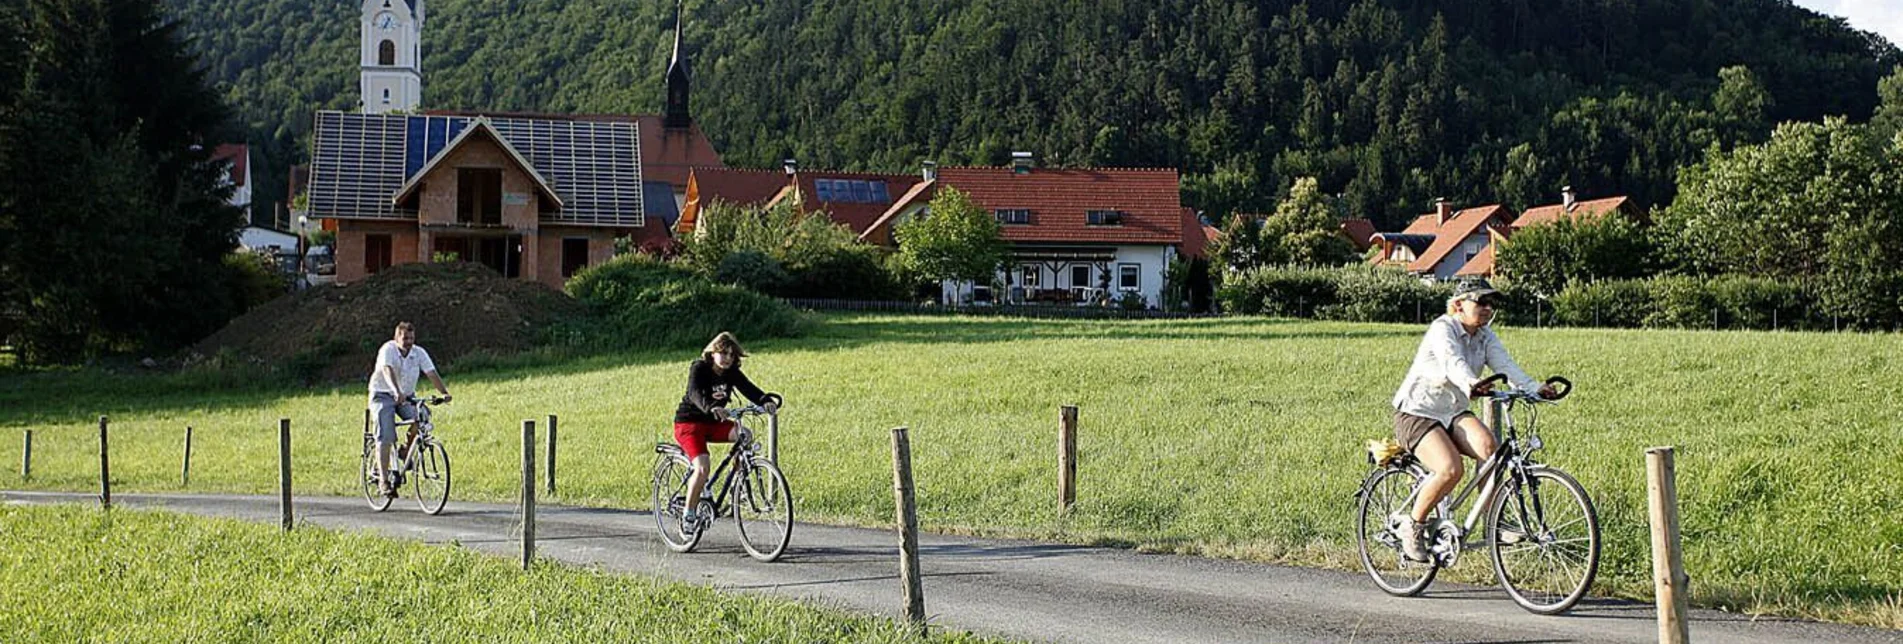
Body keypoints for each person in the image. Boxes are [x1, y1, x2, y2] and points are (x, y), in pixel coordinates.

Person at [1389, 278, 1555, 562]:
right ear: (1458, 305)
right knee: (1450, 468)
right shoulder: (1443, 329)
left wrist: (1534, 387)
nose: (1488, 309)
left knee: (1489, 449)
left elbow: (1505, 365)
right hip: (1418, 412)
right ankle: (1413, 526)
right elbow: (1452, 362)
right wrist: (1472, 383)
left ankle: (1494, 525)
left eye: (1492, 303)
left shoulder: (1485, 336)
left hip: (1452, 411)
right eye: (1481, 302)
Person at [673, 332, 780, 538]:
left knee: (745, 435)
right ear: (712, 353)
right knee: (702, 467)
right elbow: (694, 393)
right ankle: (689, 514)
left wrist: (765, 400)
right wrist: (711, 407)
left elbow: (748, 388)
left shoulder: (731, 372)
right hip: (690, 424)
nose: (727, 358)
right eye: (723, 353)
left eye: (731, 354)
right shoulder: (699, 368)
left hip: (714, 423)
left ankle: (737, 486)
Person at [368, 322, 450, 497]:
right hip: (383, 394)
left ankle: (405, 450)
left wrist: (444, 393)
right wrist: (396, 391)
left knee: (423, 417)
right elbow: (387, 370)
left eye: (411, 338)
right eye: (405, 338)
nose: (408, 342)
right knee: (386, 434)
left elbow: (431, 373)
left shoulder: (418, 353)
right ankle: (383, 480)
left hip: (406, 396)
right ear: (396, 338)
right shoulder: (388, 350)